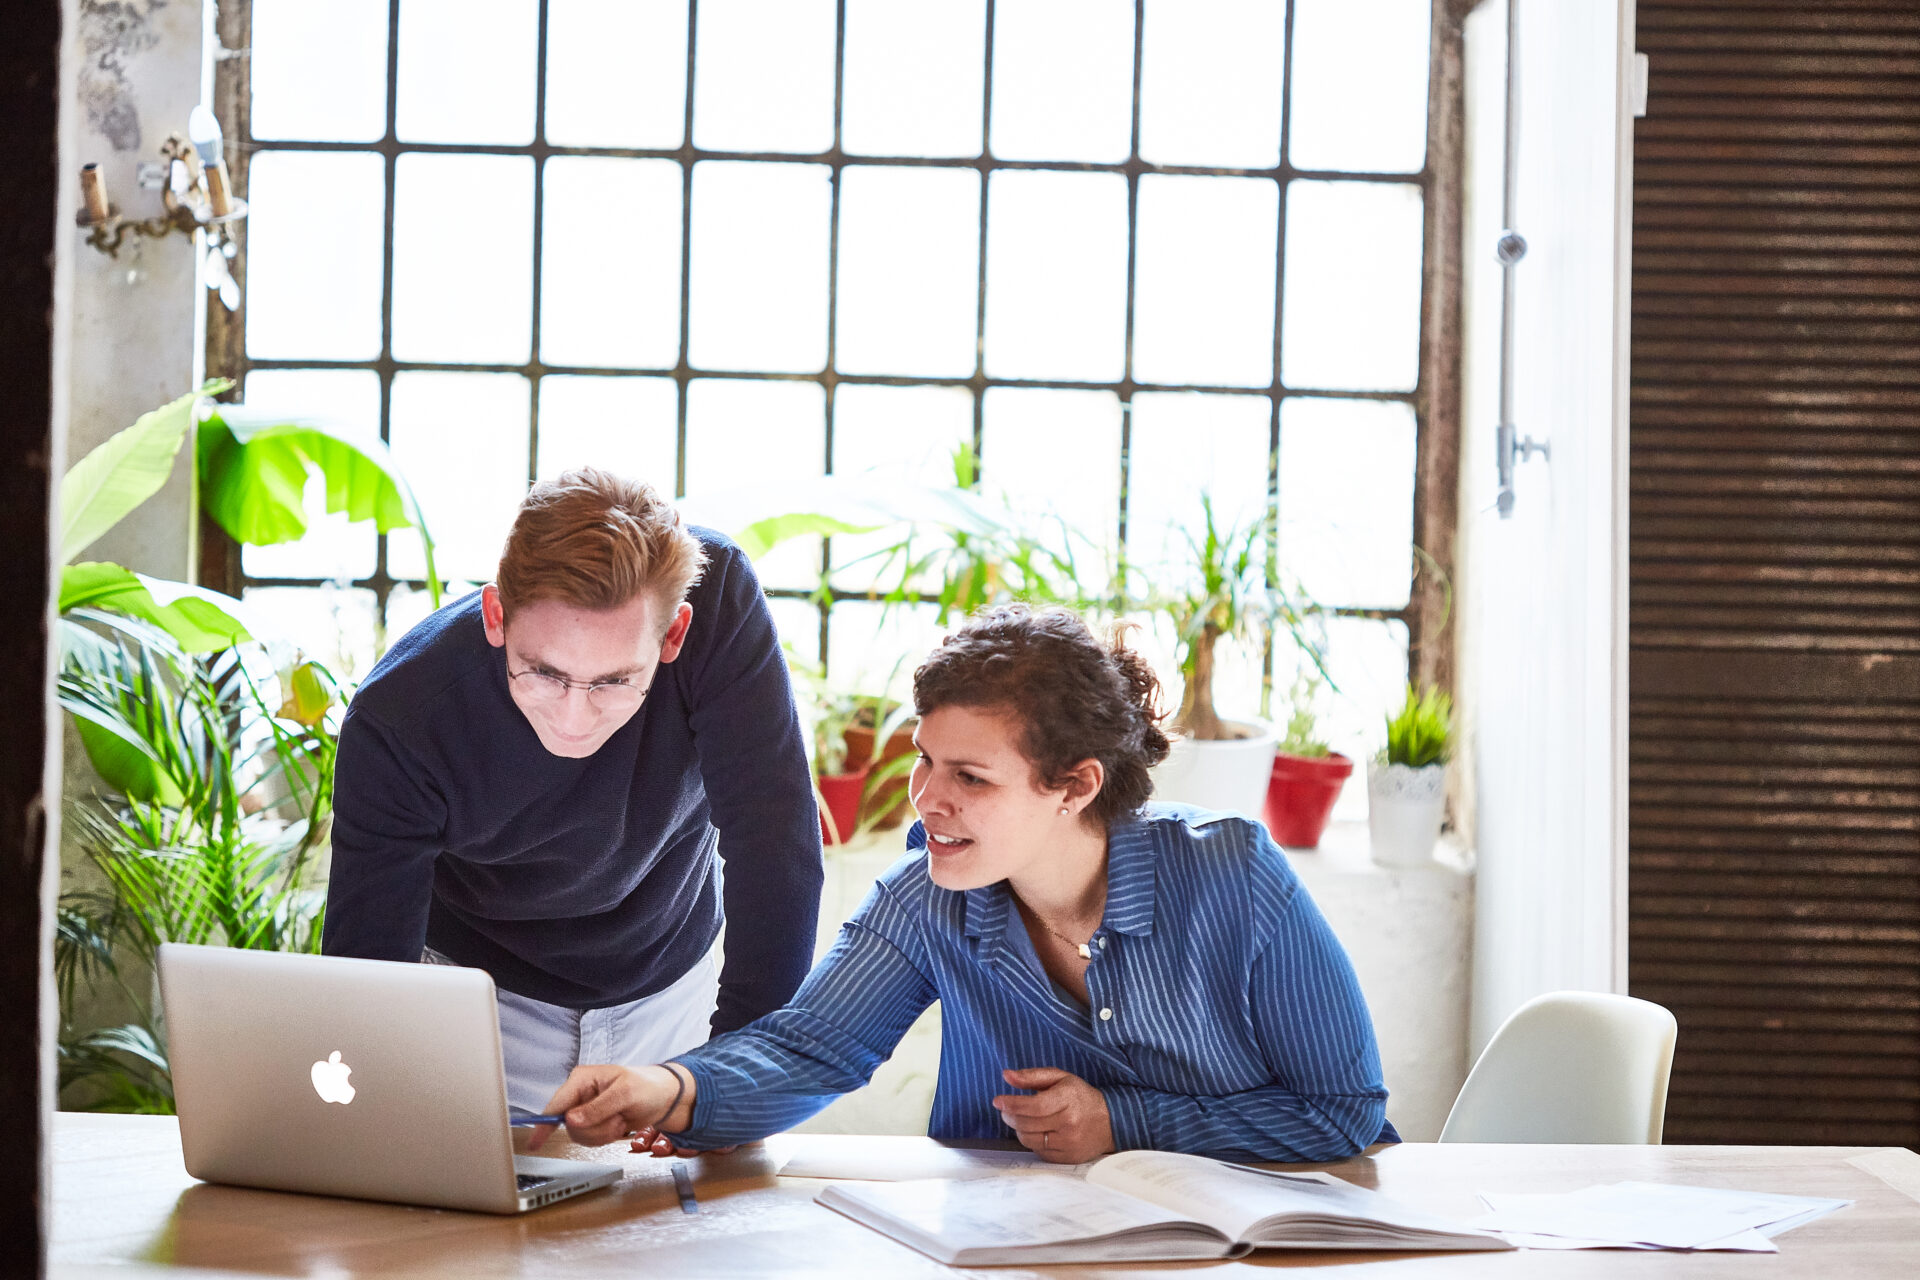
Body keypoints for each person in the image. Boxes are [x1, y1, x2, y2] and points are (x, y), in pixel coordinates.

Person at [533, 604, 1396, 1164]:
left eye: (971, 779)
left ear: (1076, 786)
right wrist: (671, 1088)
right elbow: (808, 1047)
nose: (927, 799)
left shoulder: (1234, 878)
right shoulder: (929, 899)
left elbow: (1343, 1112)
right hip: (1021, 1248)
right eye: (923, 761)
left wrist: (1123, 1122)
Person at [323, 467, 823, 1114]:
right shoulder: (403, 716)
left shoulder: (718, 601)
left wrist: (738, 1080)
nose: (572, 718)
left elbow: (774, 842)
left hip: (672, 980)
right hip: (482, 998)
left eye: (614, 682)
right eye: (544, 674)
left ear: (673, 636)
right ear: (496, 615)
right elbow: (369, 969)